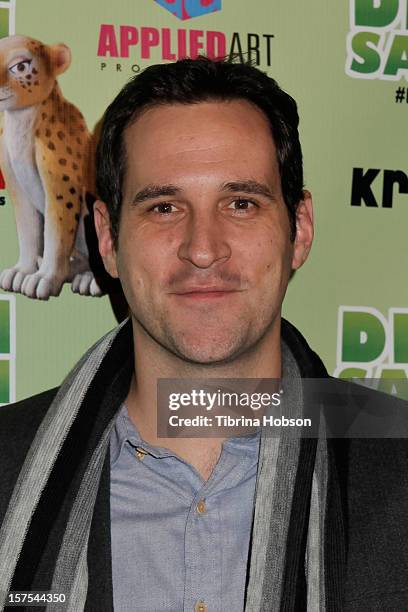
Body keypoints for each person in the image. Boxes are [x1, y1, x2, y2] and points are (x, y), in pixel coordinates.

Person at [0, 56, 407, 612]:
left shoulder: (397, 463)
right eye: (164, 207)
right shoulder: (7, 466)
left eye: (241, 203)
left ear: (301, 229)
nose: (202, 248)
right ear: (108, 240)